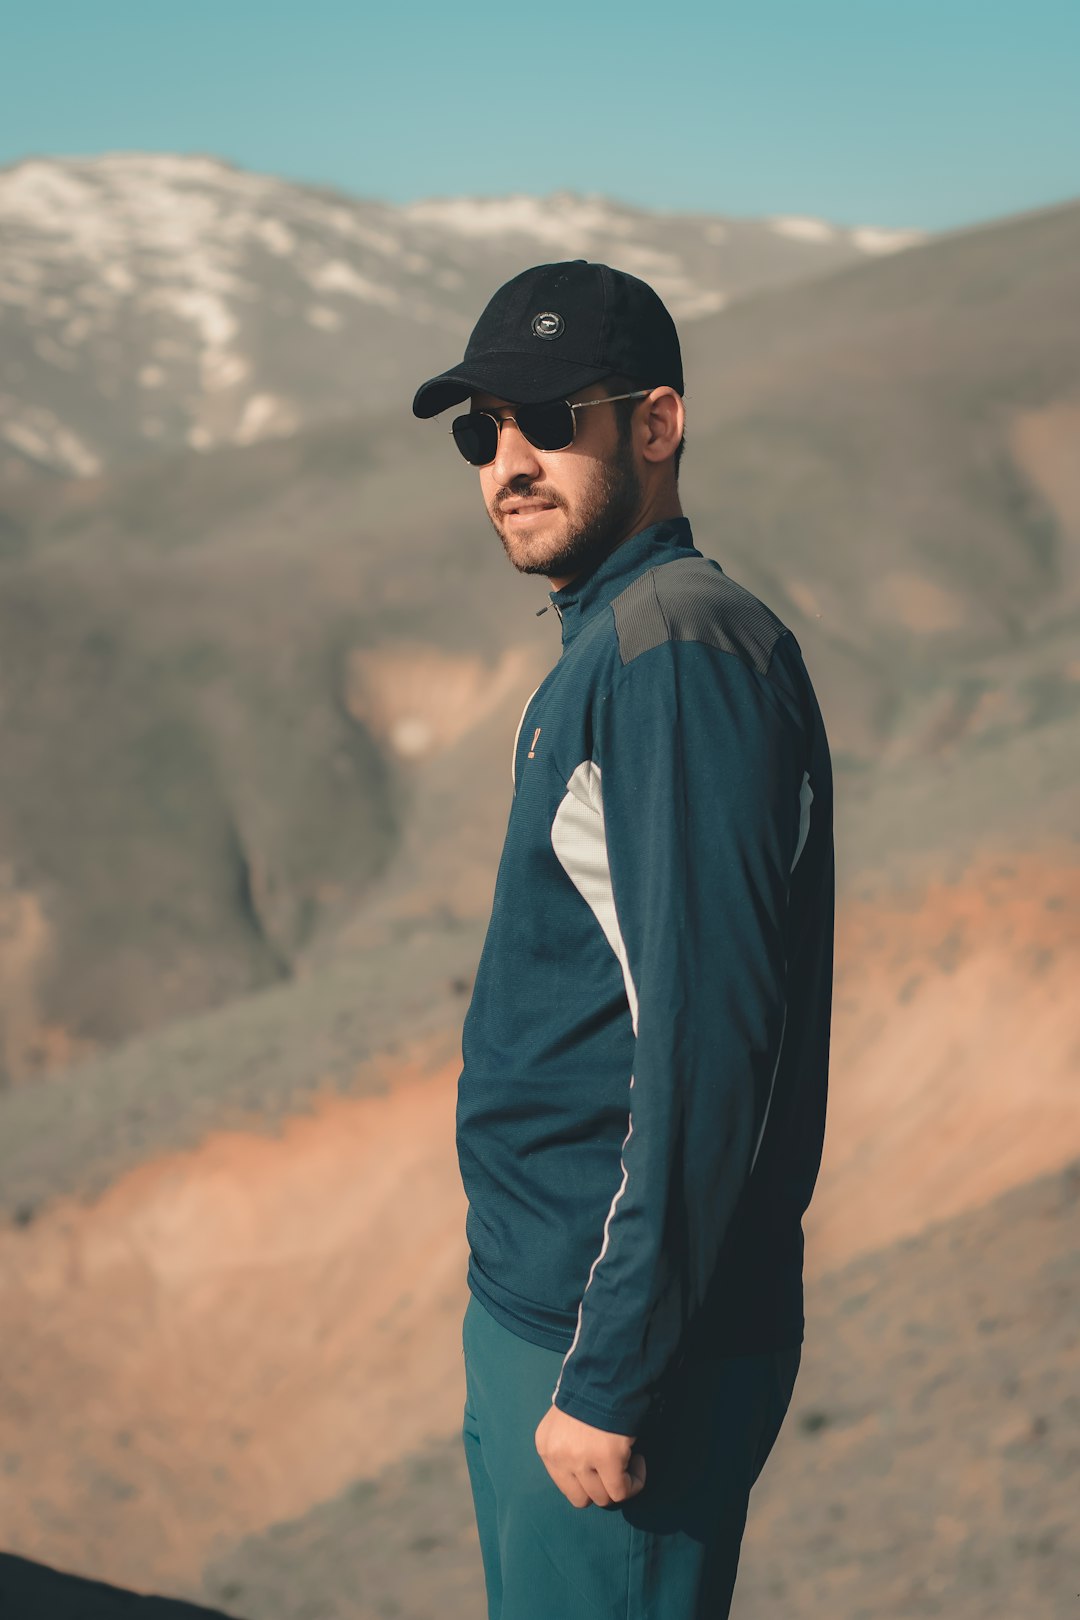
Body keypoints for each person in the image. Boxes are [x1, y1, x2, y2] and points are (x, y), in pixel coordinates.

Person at [411, 259, 835, 1619]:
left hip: (615, 1363)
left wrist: (609, 1377)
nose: (508, 460)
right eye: (483, 431)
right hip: (549, 1316)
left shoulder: (676, 657)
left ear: (655, 426)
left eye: (551, 417)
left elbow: (710, 1048)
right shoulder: (617, 640)